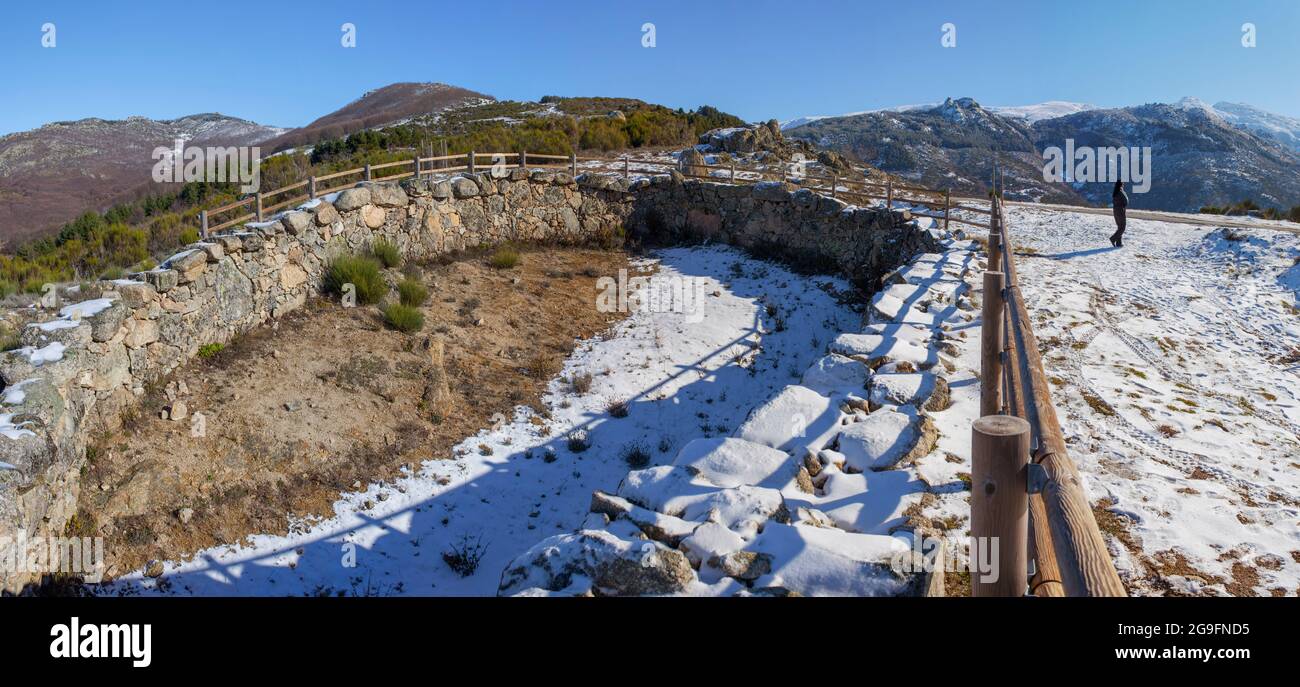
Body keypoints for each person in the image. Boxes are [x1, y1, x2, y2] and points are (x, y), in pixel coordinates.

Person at [1110, 179, 1128, 247]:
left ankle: (1118, 243)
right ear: (1121, 185)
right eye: (1123, 184)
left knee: (1119, 227)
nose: (1123, 185)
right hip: (1121, 210)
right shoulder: (1121, 192)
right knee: (1122, 227)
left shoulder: (1115, 192)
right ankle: (1113, 238)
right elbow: (1126, 201)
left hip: (1115, 210)